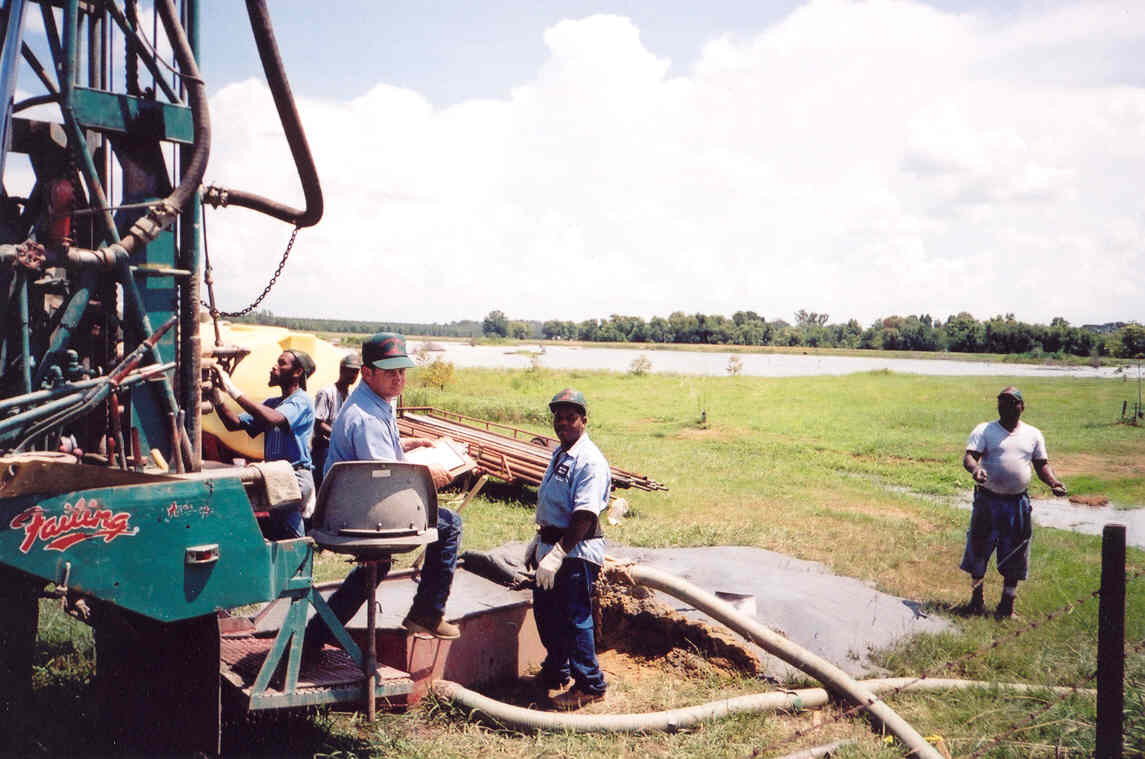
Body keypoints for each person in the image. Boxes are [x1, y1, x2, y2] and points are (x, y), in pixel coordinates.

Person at [303, 333, 461, 655]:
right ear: (367, 372)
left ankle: (314, 636)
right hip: (358, 513)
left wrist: (408, 445)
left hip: (354, 505)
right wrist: (431, 475)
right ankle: (426, 613)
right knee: (450, 525)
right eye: (390, 372)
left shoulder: (374, 402)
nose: (398, 378)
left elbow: (381, 460)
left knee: (380, 564)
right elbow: (386, 479)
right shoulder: (367, 416)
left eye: (402, 371)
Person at [524, 388, 609, 710]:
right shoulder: (562, 452)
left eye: (571, 417)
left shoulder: (589, 461)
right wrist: (540, 541)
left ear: (584, 421)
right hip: (552, 543)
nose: (563, 423)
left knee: (574, 619)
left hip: (575, 551)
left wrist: (558, 554)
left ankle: (590, 684)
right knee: (547, 614)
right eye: (558, 417)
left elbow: (585, 516)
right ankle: (557, 670)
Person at [961, 386, 1067, 619]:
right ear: (997, 405)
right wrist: (976, 469)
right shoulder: (985, 430)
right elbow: (970, 456)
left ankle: (1007, 605)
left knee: (1016, 550)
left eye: (1012, 402)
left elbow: (1041, 465)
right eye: (1002, 402)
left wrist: (1054, 483)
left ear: (1022, 406)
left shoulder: (1033, 434)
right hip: (987, 501)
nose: (1007, 406)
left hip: (1016, 503)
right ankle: (976, 601)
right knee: (979, 548)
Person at [209, 349, 316, 540]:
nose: (274, 367)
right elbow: (233, 424)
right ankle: (295, 566)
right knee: (280, 533)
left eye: (282, 363)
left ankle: (299, 566)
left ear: (297, 372)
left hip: (294, 476)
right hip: (275, 476)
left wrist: (233, 391)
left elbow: (275, 418)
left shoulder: (302, 401)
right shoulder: (272, 403)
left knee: (289, 535)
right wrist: (216, 397)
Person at [311, 352, 362, 492]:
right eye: (350, 371)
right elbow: (318, 424)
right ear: (341, 370)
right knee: (322, 488)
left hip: (340, 449)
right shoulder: (326, 392)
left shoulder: (350, 396)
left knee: (337, 489)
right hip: (324, 449)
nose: (353, 375)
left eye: (356, 372)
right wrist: (340, 436)